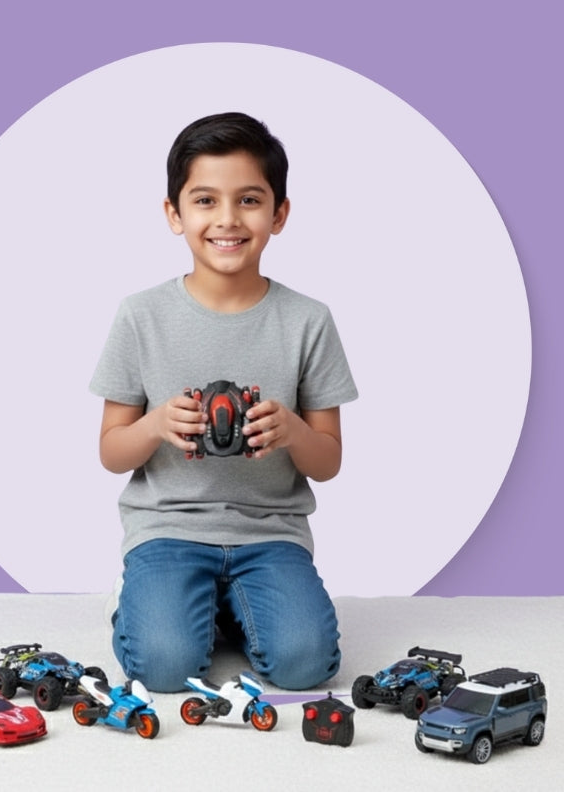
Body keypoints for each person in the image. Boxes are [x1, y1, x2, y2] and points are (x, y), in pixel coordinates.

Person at [89, 112, 358, 692]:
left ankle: (233, 608)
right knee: (162, 669)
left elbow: (329, 462)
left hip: (271, 535)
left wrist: (290, 430)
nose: (228, 219)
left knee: (306, 665)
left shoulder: (309, 321)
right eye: (205, 200)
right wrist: (157, 422)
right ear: (174, 213)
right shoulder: (141, 316)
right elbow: (111, 452)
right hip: (168, 528)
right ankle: (142, 597)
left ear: (279, 214)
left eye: (250, 200)